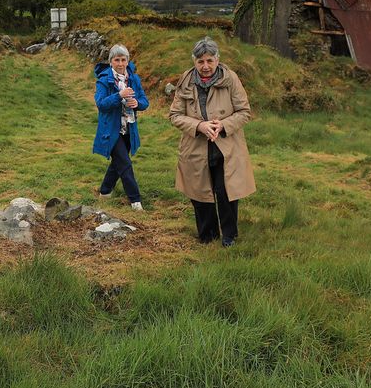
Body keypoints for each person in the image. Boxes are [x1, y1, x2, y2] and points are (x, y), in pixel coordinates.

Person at [169, 37, 256, 246]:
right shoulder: (185, 80)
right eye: (200, 62)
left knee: (226, 191)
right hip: (196, 147)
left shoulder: (231, 79)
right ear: (194, 61)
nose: (205, 66)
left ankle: (229, 236)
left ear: (217, 60)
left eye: (209, 61)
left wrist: (223, 125)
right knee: (199, 192)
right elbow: (175, 115)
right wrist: (199, 126)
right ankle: (207, 236)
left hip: (226, 146)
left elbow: (245, 111)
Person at [93, 44, 150, 211]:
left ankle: (104, 192)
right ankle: (135, 201)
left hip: (129, 128)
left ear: (127, 61)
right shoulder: (104, 80)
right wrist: (119, 95)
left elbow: (145, 102)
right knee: (125, 164)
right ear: (111, 62)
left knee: (118, 162)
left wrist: (137, 103)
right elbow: (101, 104)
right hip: (111, 130)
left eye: (123, 59)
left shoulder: (134, 79)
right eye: (116, 59)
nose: (120, 63)